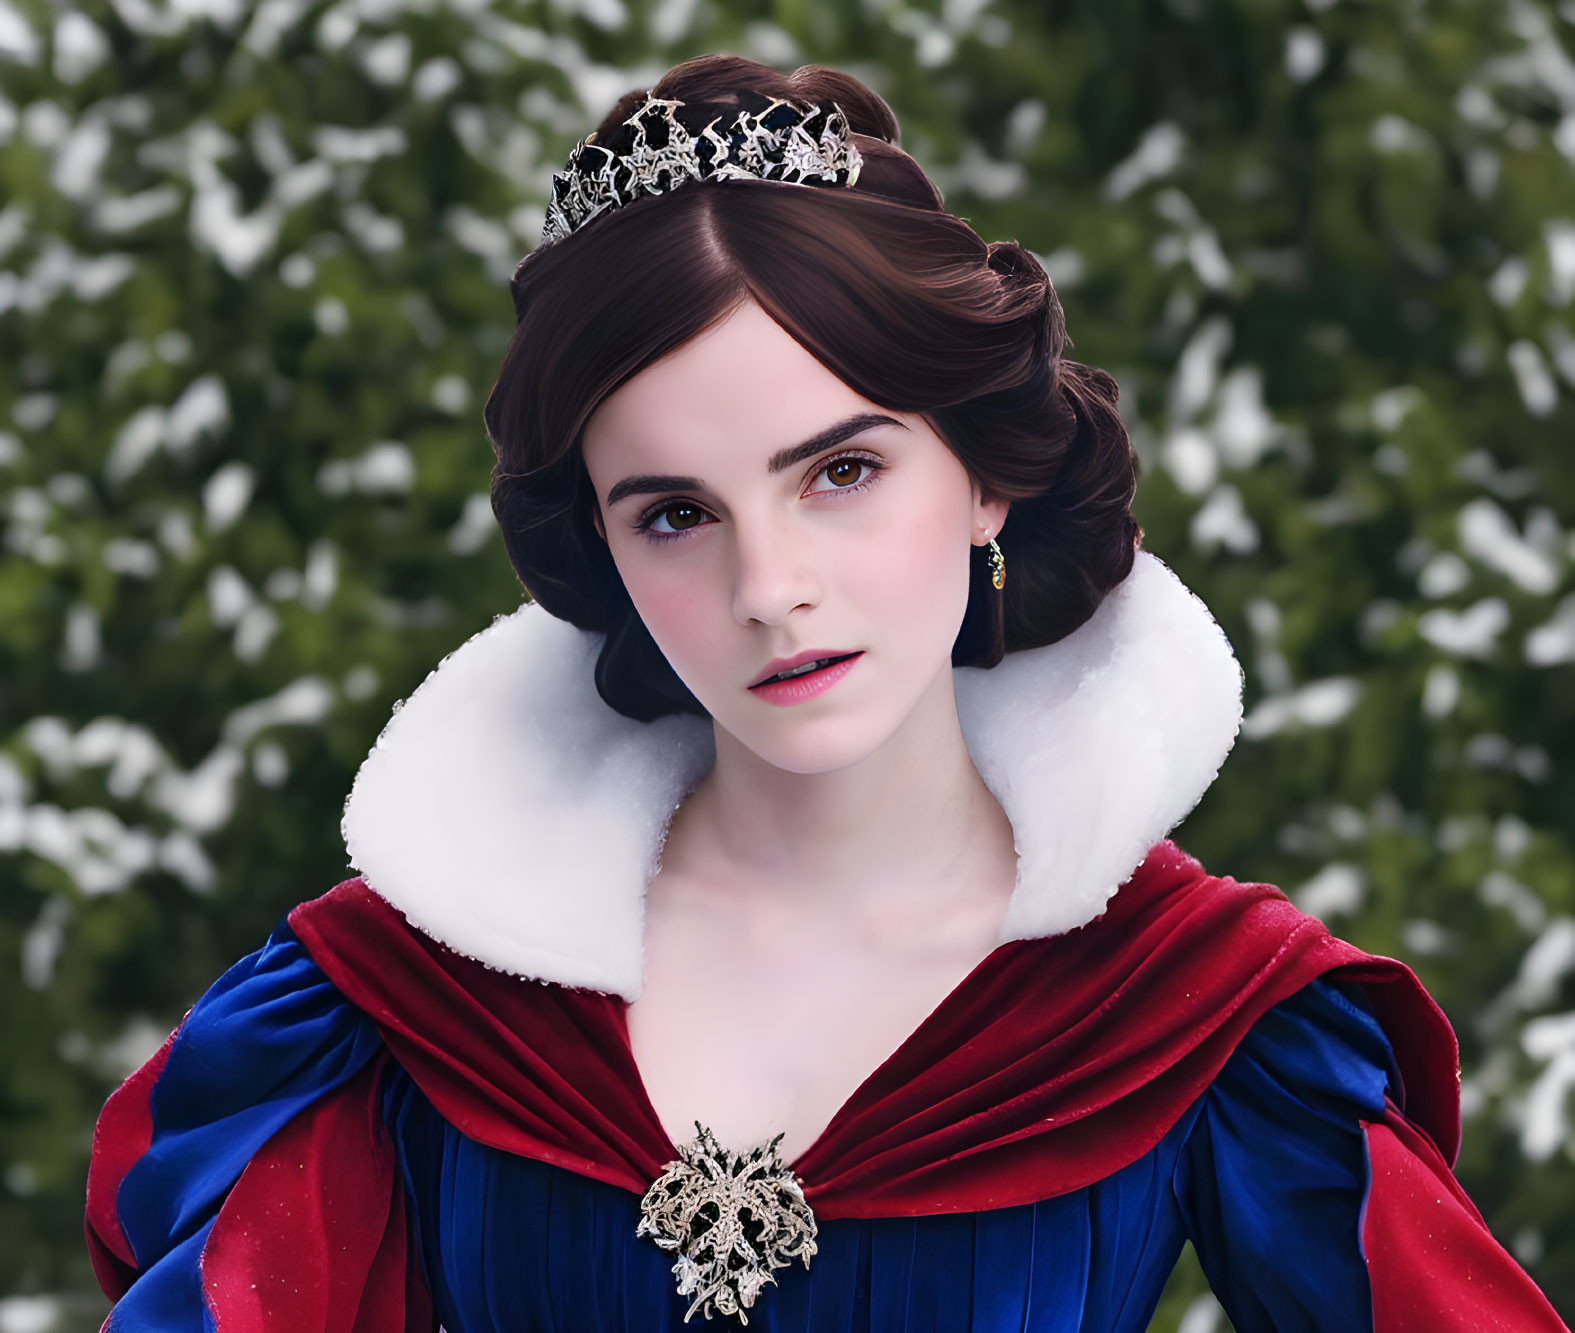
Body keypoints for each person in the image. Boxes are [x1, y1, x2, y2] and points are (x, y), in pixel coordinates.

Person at [85, 54, 1568, 1333]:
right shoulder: (402, 1002)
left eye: (840, 472)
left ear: (988, 473)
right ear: (597, 544)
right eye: (674, 511)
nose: (767, 586)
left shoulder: (1192, 1006)